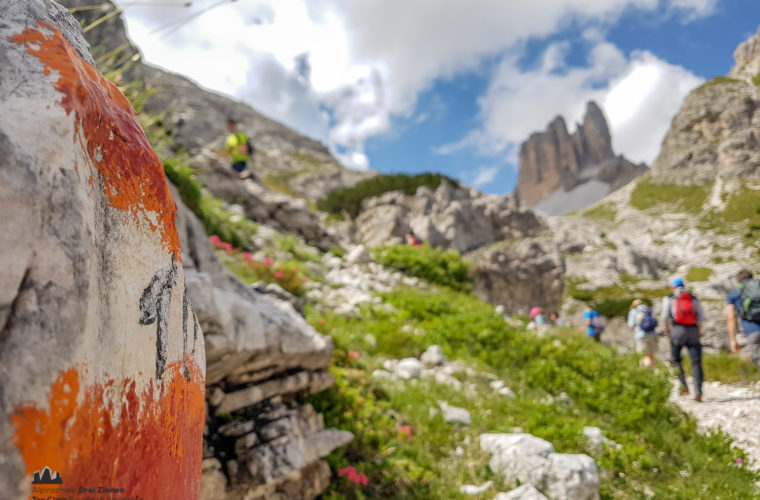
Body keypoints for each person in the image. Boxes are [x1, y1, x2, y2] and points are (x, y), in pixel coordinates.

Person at [661, 278, 704, 401]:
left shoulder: (669, 298)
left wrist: (668, 332)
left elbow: (665, 317)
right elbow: (700, 317)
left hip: (677, 331)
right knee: (696, 362)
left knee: (676, 360)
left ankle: (683, 386)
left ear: (672, 287)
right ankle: (698, 391)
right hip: (693, 331)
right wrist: (698, 332)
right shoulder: (693, 298)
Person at [726, 269, 760, 371]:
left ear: (737, 281)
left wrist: (733, 340)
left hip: (752, 331)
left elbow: (731, 317)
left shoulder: (734, 294)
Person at [627, 299, 658, 369]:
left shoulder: (633, 311)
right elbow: (655, 323)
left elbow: (631, 325)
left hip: (640, 336)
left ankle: (645, 372)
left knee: (643, 355)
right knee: (651, 355)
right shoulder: (648, 309)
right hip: (652, 335)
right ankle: (654, 372)